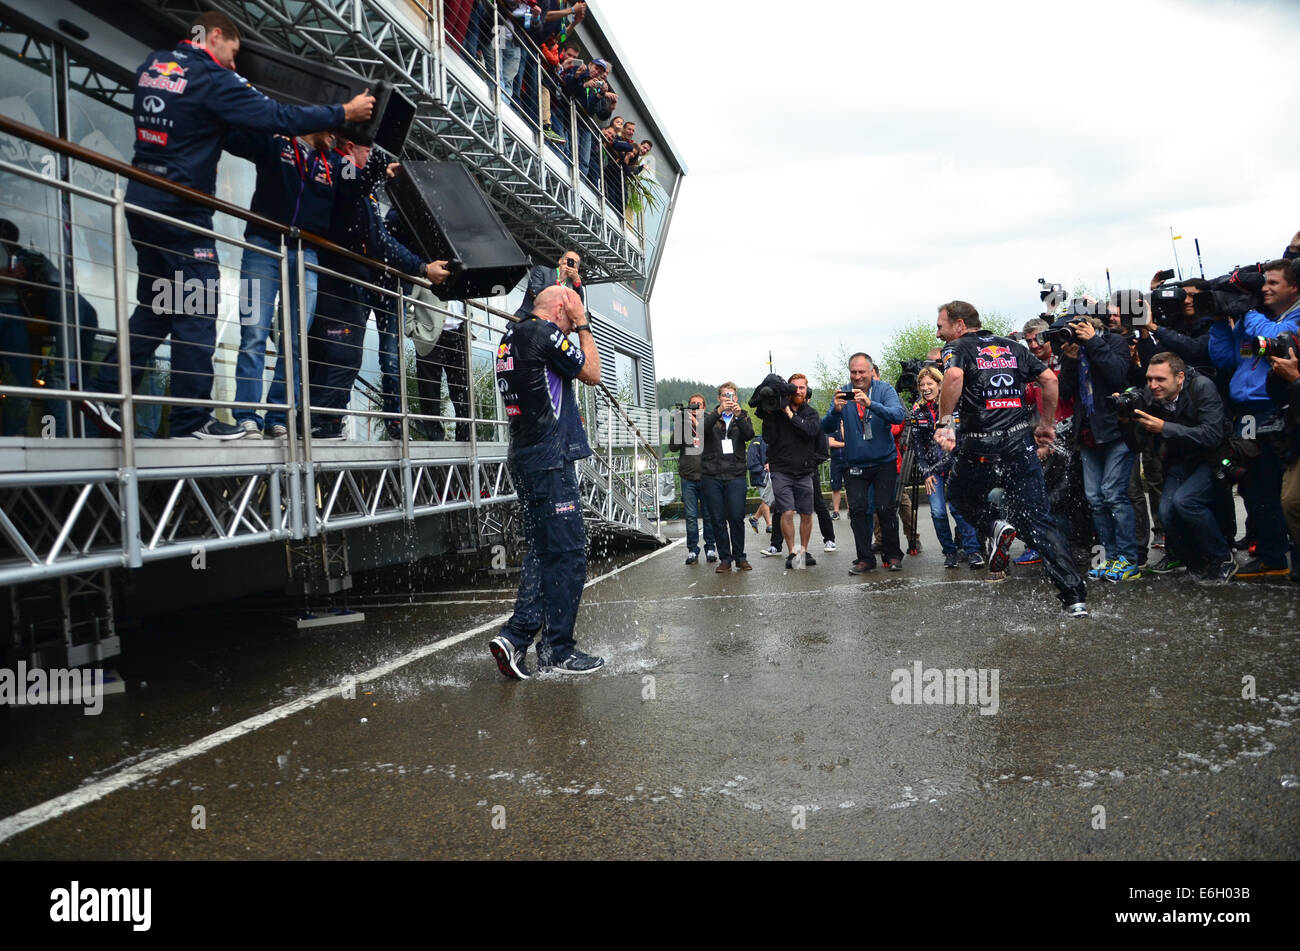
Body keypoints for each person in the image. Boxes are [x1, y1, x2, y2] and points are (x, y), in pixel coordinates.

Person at [80, 11, 375, 440]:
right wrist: (343, 110)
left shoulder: (154, 67)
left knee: (159, 307)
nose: (234, 65)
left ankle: (104, 390)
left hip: (142, 200)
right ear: (215, 37)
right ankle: (191, 421)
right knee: (198, 311)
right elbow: (276, 117)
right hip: (182, 209)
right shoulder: (213, 79)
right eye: (233, 54)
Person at [934, 300, 1088, 617]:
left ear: (959, 325)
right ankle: (1074, 597)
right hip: (1020, 442)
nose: (939, 334)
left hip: (980, 445)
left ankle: (994, 526)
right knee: (1039, 520)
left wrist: (944, 422)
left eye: (941, 327)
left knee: (960, 495)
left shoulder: (957, 347)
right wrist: (1045, 425)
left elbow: (952, 378)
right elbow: (1050, 379)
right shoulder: (1012, 347)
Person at [488, 285, 604, 678]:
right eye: (569, 319)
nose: (571, 328)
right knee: (569, 555)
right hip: (551, 461)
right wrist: (584, 323)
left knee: (542, 551)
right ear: (560, 309)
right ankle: (557, 650)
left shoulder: (511, 335)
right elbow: (591, 372)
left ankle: (515, 638)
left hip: (523, 458)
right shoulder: (545, 332)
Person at [307, 146, 448, 439]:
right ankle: (322, 421)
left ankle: (331, 421)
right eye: (368, 151)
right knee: (341, 353)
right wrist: (422, 267)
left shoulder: (366, 193)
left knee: (356, 355)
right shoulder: (351, 182)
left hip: (368, 283)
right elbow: (380, 237)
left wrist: (422, 266)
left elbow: (383, 240)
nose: (372, 155)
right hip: (351, 281)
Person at [223, 129, 338, 438]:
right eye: (333, 125)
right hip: (261, 245)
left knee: (296, 342)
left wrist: (377, 166)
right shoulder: (277, 141)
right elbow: (234, 136)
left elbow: (357, 187)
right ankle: (246, 416)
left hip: (306, 254)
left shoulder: (334, 164)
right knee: (254, 333)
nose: (337, 134)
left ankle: (279, 416)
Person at [1208, 259, 1300, 576]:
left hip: (1277, 414)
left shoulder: (1292, 317)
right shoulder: (1255, 322)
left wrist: (1248, 312)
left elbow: (1279, 340)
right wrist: (1221, 320)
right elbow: (1229, 357)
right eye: (1264, 284)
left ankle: (1281, 556)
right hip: (1247, 416)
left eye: (1274, 283)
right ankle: (1271, 555)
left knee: (1279, 490)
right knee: (1253, 485)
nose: (1265, 289)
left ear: (1294, 288)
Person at [1128, 352, 1234, 582]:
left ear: (1179, 377)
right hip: (1180, 460)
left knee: (1186, 502)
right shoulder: (1150, 394)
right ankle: (1195, 563)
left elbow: (1212, 435)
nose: (1153, 386)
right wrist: (1126, 420)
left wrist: (1165, 427)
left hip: (1212, 458)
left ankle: (1222, 557)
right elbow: (1136, 444)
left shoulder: (1202, 388)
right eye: (1149, 379)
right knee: (1166, 512)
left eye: (1160, 379)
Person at [1057, 312, 1141, 581]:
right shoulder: (1073, 351)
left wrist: (1093, 343)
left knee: (1113, 494)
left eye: (1077, 328)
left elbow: (1117, 375)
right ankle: (1110, 557)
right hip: (1088, 433)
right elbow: (1064, 392)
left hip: (1116, 430)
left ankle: (1129, 560)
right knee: (1094, 498)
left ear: (1091, 326)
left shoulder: (1114, 342)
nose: (1074, 334)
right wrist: (1070, 361)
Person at [823, 353, 905, 573]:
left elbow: (898, 415)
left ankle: (893, 555)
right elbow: (826, 426)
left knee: (885, 509)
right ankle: (865, 558)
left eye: (861, 372)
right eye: (853, 372)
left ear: (871, 371)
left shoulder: (884, 390)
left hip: (884, 461)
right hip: (856, 463)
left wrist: (871, 404)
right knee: (858, 511)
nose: (857, 376)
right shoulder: (843, 392)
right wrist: (836, 410)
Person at [910, 366, 978, 567]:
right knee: (938, 512)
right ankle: (950, 552)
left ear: (940, 385)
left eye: (930, 383)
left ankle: (973, 550)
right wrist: (925, 473)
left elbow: (961, 441)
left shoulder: (954, 407)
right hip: (933, 471)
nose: (925, 388)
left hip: (956, 467)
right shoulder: (917, 410)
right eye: (922, 384)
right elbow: (917, 447)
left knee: (959, 510)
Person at [752, 371, 821, 569]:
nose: (798, 391)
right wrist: (772, 414)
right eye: (795, 387)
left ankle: (804, 550)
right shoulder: (776, 412)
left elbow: (810, 431)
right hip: (781, 470)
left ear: (807, 390)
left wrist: (790, 415)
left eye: (802, 387)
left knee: (807, 513)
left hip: (805, 470)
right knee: (787, 512)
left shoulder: (811, 413)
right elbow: (768, 438)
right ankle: (792, 551)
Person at [700, 382, 754, 572]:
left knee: (736, 516)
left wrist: (739, 417)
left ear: (736, 398)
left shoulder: (743, 416)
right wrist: (717, 412)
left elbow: (750, 435)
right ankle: (725, 558)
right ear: (719, 398)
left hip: (736, 473)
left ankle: (740, 556)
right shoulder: (708, 416)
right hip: (712, 473)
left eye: (731, 396)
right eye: (724, 395)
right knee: (717, 518)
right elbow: (701, 431)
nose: (728, 399)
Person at [669, 393, 717, 565]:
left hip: (707, 477)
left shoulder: (710, 425)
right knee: (690, 516)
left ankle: (710, 547)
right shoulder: (684, 425)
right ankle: (692, 550)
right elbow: (673, 447)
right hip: (688, 477)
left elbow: (715, 440)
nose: (695, 408)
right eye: (692, 405)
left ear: (704, 407)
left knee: (709, 515)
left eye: (699, 404)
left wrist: (699, 424)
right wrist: (681, 425)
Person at [516, 250, 583, 318]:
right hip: (527, 320)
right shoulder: (542, 270)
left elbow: (578, 309)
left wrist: (577, 281)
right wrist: (560, 279)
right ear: (560, 261)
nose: (570, 262)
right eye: (567, 259)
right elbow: (535, 292)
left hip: (550, 325)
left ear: (576, 268)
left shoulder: (572, 286)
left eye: (574, 262)